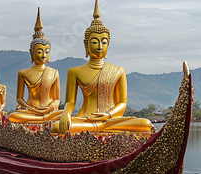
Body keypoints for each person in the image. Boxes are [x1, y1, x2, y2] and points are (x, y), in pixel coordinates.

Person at [52, 0, 152, 134]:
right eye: (94, 41)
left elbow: (122, 103)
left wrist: (109, 115)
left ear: (108, 45)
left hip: (110, 120)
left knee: (145, 123)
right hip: (85, 119)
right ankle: (97, 129)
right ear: (86, 44)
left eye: (104, 42)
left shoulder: (118, 71)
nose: (100, 46)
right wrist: (65, 114)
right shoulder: (74, 72)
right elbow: (70, 103)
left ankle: (97, 129)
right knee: (57, 126)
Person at [9, 8, 61, 124]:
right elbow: (19, 98)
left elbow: (57, 99)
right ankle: (44, 122)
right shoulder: (23, 73)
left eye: (46, 51)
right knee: (13, 116)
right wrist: (28, 107)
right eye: (39, 52)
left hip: (49, 111)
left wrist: (50, 108)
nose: (43, 55)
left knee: (63, 114)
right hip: (31, 111)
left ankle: (44, 120)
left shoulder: (54, 72)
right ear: (31, 53)